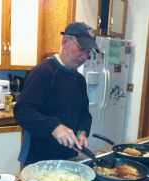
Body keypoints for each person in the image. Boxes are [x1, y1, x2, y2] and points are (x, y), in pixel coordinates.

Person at [14, 22, 98, 165]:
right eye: (82, 49)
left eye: (89, 51)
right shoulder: (42, 73)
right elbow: (22, 111)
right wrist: (54, 126)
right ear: (65, 41)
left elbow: (85, 115)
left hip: (70, 158)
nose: (85, 57)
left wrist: (82, 132)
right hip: (38, 160)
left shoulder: (80, 80)